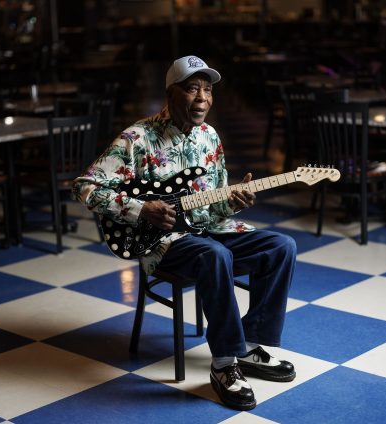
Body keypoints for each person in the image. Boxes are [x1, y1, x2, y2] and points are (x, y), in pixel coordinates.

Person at [73, 55, 297, 411]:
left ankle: (250, 344)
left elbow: (214, 206)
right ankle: (224, 364)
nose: (202, 99)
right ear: (171, 93)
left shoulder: (210, 137)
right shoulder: (137, 137)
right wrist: (141, 208)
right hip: (161, 242)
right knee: (215, 255)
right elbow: (86, 186)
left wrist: (233, 202)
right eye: (192, 89)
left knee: (281, 246)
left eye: (207, 90)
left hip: (206, 231)